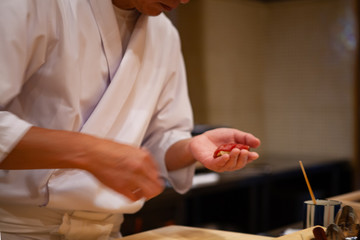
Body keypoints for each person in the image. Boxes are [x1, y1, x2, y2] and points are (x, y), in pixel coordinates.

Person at [0, 0, 261, 239]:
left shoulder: (165, 36)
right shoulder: (38, 5)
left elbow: (157, 141)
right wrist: (89, 152)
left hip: (108, 231)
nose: (184, 0)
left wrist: (189, 148)